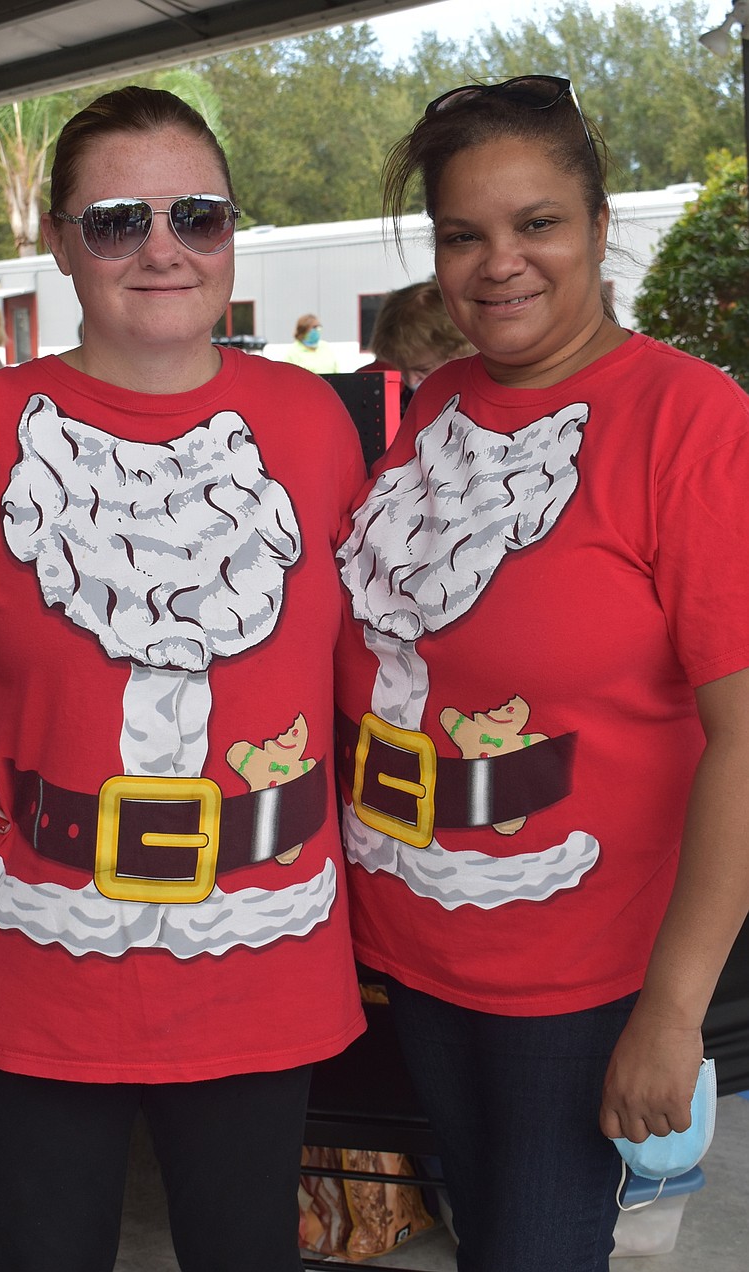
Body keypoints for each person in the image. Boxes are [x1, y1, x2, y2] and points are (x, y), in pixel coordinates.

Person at [0, 85, 366, 1272]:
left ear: (229, 234)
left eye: (195, 215)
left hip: (265, 962)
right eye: (117, 220)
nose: (161, 248)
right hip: (35, 972)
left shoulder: (311, 422)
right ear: (61, 243)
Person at [334, 74, 749, 1271]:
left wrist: (670, 1016)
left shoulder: (691, 420)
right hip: (416, 946)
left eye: (537, 224)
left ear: (600, 227)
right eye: (463, 234)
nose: (498, 263)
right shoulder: (444, 400)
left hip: (578, 988)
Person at [362, 278, 475, 413]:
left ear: (459, 353)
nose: (411, 381)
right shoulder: (408, 401)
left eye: (422, 369)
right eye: (401, 369)